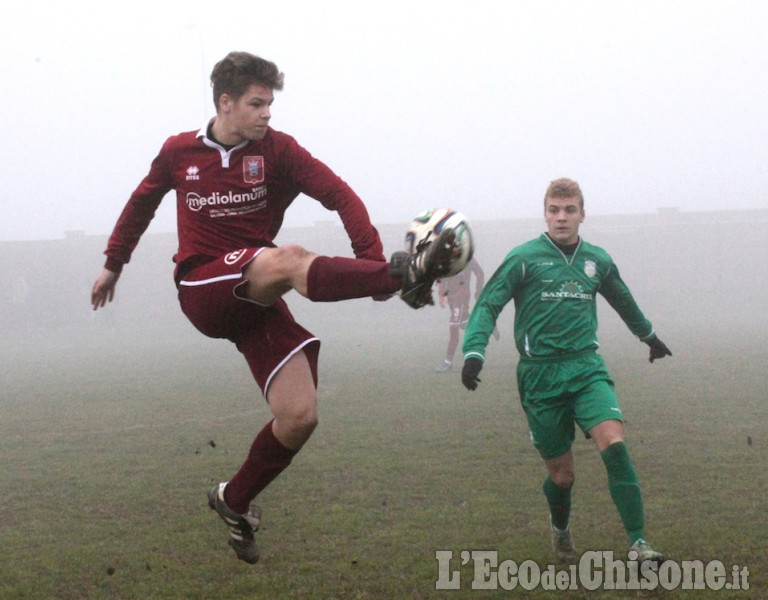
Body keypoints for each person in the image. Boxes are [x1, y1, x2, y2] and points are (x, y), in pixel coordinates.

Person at [90, 51, 456, 563]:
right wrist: (114, 262)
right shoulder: (179, 152)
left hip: (255, 302)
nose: (267, 114)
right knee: (287, 260)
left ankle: (233, 499)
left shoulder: (279, 151)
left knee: (300, 416)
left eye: (270, 104)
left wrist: (368, 256)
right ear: (225, 103)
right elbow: (142, 202)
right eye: (257, 104)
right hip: (204, 286)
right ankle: (403, 275)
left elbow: (339, 194)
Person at [460, 178, 672, 564]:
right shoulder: (524, 258)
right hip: (540, 377)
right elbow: (489, 303)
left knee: (615, 444)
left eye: (569, 210)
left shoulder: (597, 260)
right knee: (563, 477)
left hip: (586, 368)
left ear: (582, 214)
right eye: (555, 210)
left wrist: (649, 336)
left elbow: (622, 299)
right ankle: (560, 529)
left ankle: (639, 544)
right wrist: (474, 351)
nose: (562, 218)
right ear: (545, 213)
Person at [434, 255, 497, 373]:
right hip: (452, 299)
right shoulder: (446, 258)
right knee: (464, 324)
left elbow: (480, 273)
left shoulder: (467, 258)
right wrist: (441, 294)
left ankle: (447, 362)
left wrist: (478, 290)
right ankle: (488, 325)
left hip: (461, 298)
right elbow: (442, 277)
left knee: (454, 329)